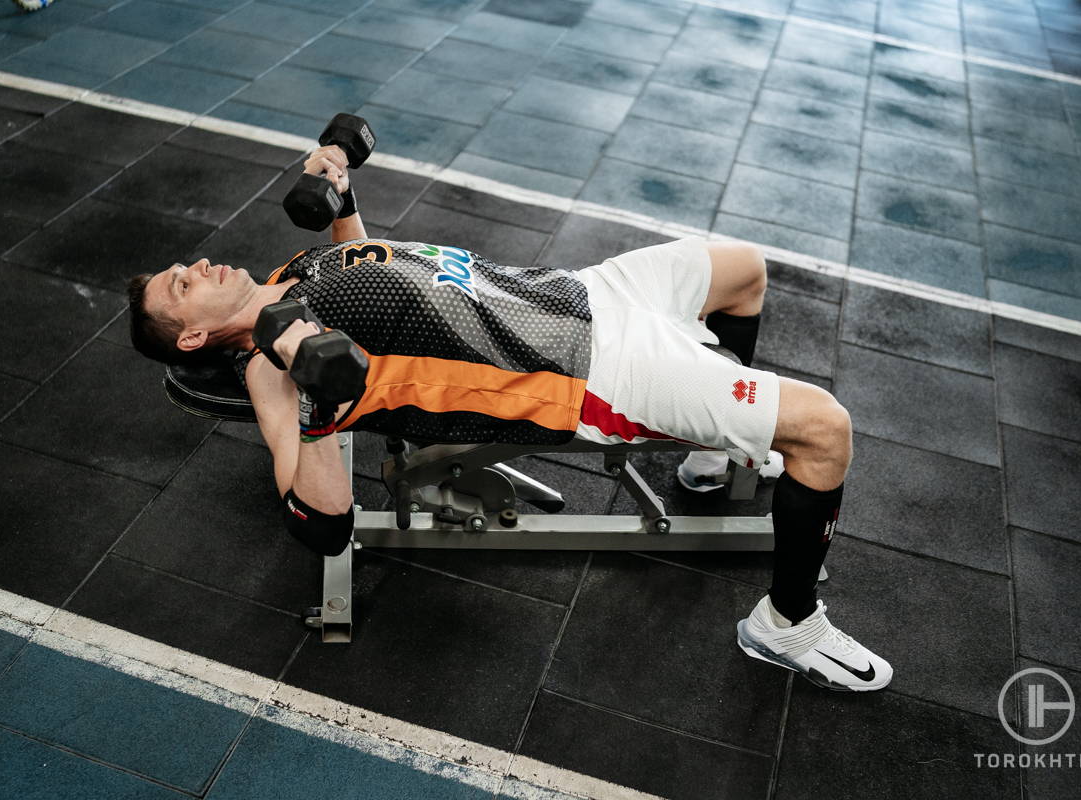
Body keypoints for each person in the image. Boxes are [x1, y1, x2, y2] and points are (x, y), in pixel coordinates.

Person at [127, 145, 892, 692]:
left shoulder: (288, 278)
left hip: (581, 293)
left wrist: (345, 199)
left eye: (184, 266)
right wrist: (323, 405)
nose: (197, 267)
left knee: (743, 269)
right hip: (591, 374)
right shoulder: (274, 366)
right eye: (181, 287)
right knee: (825, 429)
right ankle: (787, 623)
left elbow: (377, 278)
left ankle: (713, 453)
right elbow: (320, 519)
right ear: (193, 336)